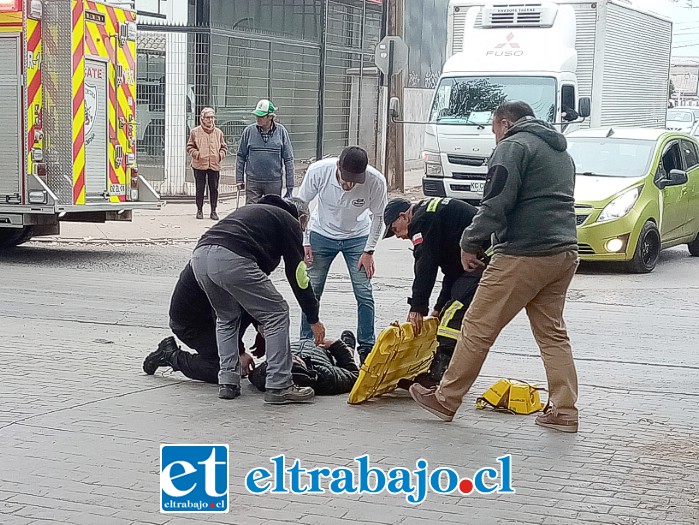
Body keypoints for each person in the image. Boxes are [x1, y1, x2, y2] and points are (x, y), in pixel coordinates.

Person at [409, 101, 580, 433]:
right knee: (552, 334)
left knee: (476, 324)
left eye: (493, 129)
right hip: (564, 253)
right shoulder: (561, 153)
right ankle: (564, 410)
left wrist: (469, 241)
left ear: (505, 122)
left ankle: (446, 398)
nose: (494, 137)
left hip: (523, 253)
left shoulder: (513, 146)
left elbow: (496, 203)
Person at [190, 194, 326, 404]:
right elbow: (298, 275)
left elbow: (252, 294)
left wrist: (261, 326)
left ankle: (228, 381)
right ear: (301, 219)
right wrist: (313, 317)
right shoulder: (289, 221)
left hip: (199, 257)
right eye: (304, 226)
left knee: (226, 317)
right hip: (230, 257)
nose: (303, 231)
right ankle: (280, 385)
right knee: (278, 312)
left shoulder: (256, 213)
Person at [298, 146, 388, 363]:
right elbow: (301, 206)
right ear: (338, 166)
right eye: (346, 179)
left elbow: (378, 217)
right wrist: (305, 241)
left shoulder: (375, 182)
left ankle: (366, 346)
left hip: (358, 237)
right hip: (321, 232)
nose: (350, 185)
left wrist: (369, 250)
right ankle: (305, 342)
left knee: (363, 291)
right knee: (312, 289)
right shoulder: (319, 171)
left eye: (355, 180)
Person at [383, 196, 482, 387]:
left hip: (485, 262)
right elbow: (453, 271)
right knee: (447, 312)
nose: (398, 235)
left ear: (404, 216)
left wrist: (417, 308)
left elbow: (425, 266)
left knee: (452, 316)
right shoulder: (432, 215)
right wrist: (437, 307)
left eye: (395, 229)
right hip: (475, 264)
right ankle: (453, 375)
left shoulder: (421, 222)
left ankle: (439, 378)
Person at [142, 262, 264, 384]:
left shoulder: (245, 258)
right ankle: (170, 355)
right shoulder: (221, 263)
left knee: (231, 363)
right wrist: (238, 352)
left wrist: (260, 328)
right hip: (191, 324)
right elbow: (221, 314)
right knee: (226, 370)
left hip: (214, 315)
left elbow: (252, 296)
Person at [249, 332, 359, 396]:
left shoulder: (267, 375)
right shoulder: (325, 376)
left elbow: (254, 372)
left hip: (299, 345)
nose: (293, 357)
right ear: (304, 367)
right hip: (323, 352)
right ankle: (349, 350)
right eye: (295, 361)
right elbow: (354, 375)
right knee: (340, 361)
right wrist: (337, 345)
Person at [236, 99, 295, 204]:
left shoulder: (281, 132)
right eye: (257, 115)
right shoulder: (249, 131)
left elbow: (288, 159)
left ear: (270, 117)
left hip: (274, 182)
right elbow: (241, 156)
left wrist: (290, 186)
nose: (258, 118)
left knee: (271, 212)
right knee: (251, 212)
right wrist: (239, 179)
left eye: (261, 116)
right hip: (253, 181)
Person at [186, 107, 227, 220]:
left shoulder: (219, 132)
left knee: (214, 188)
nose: (210, 120)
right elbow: (189, 147)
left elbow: (224, 147)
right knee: (200, 188)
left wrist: (220, 155)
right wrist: (197, 154)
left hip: (214, 164)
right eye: (208, 118)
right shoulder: (195, 132)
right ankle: (199, 210)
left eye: (212, 117)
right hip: (199, 165)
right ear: (202, 119)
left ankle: (213, 210)